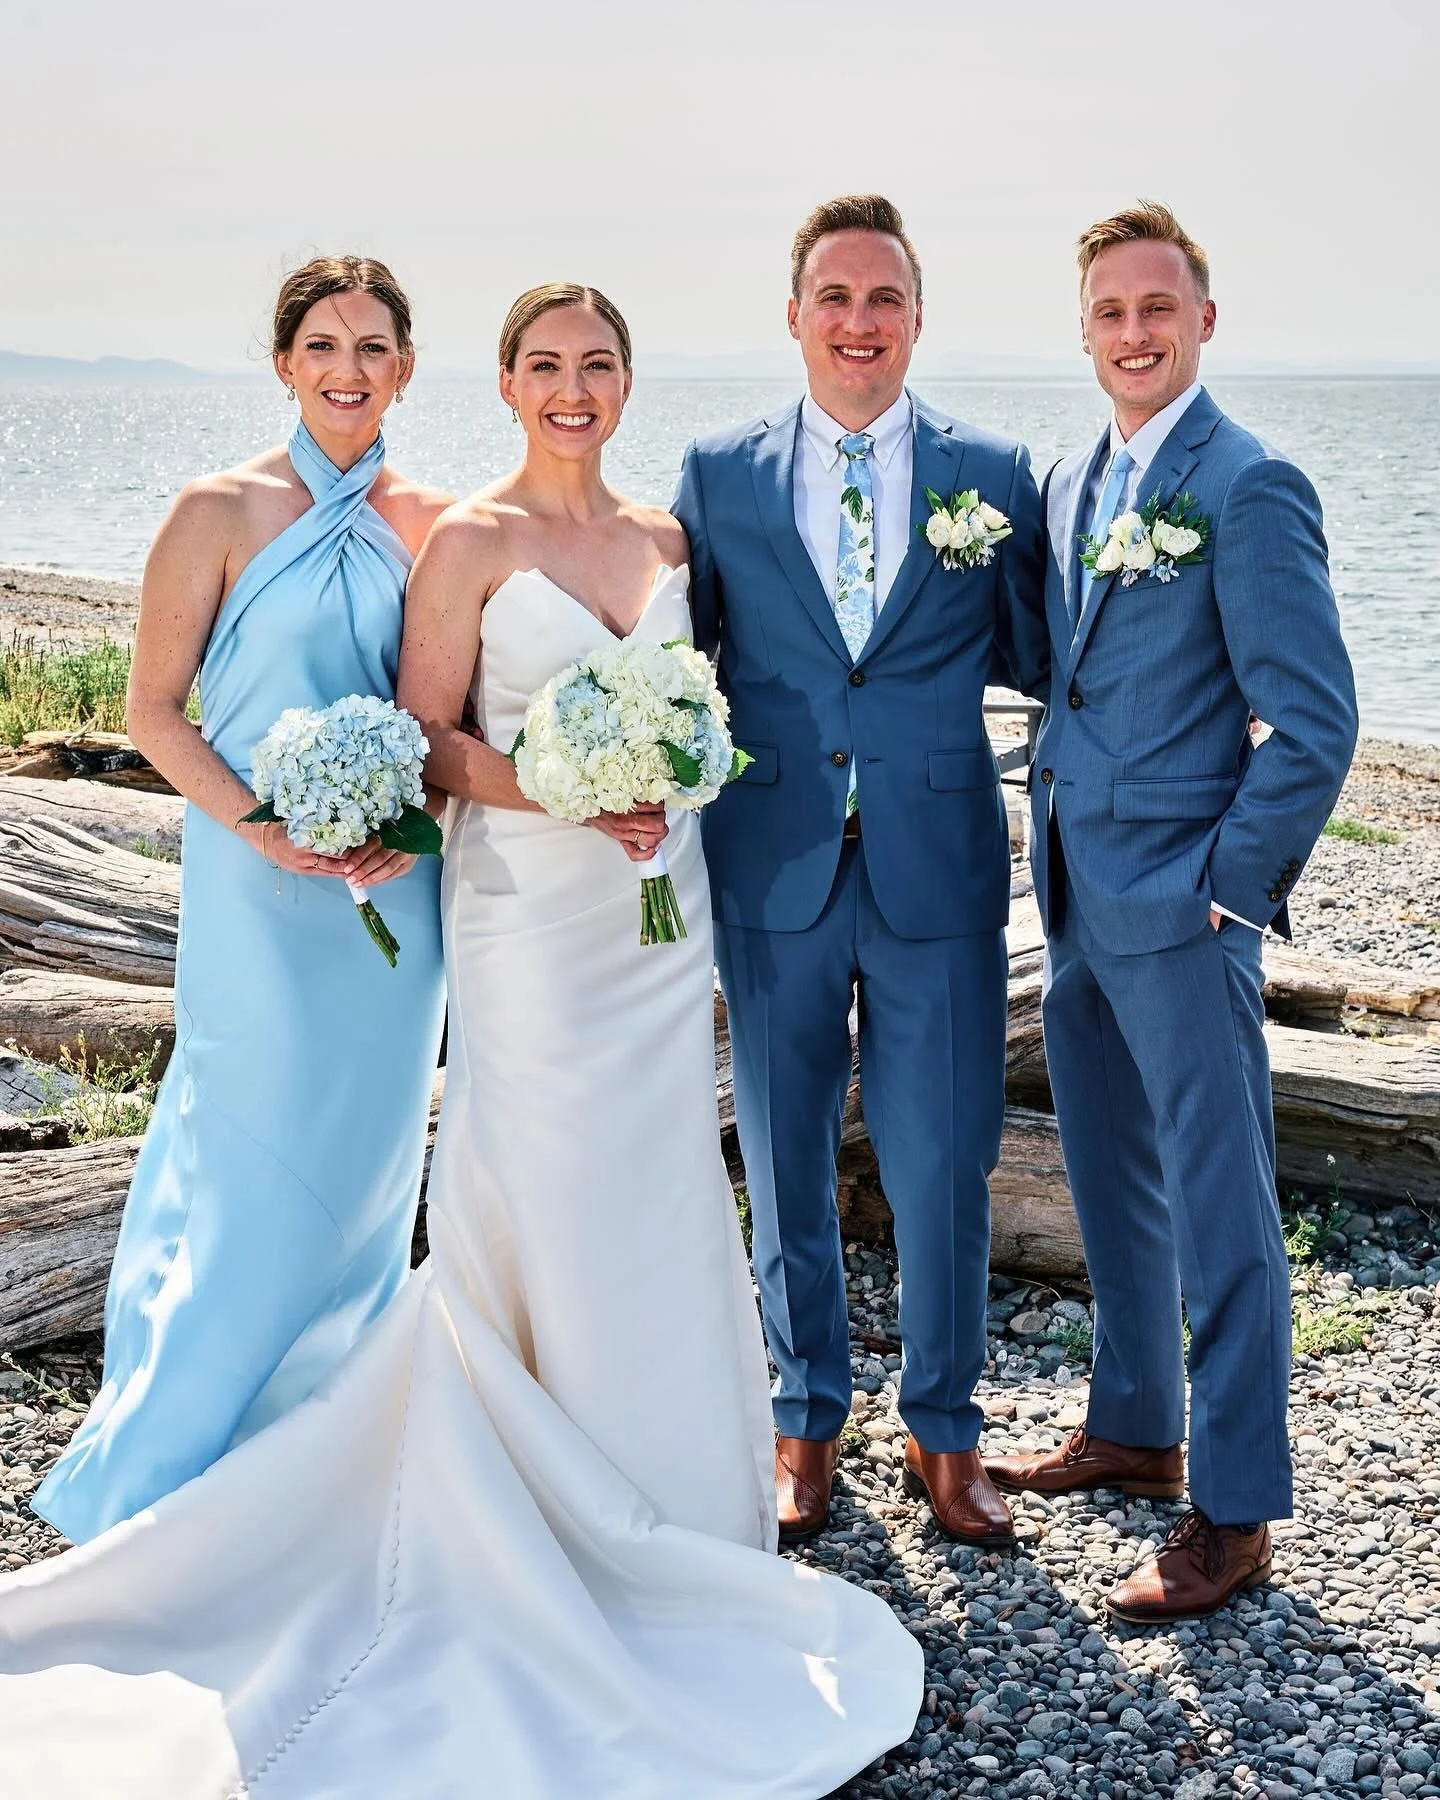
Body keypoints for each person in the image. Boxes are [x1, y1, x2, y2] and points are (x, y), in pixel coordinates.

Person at [0, 282, 921, 1799]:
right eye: (547, 365)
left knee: (661, 1181)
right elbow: (427, 730)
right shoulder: (464, 542)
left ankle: (685, 1494)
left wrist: (681, 764)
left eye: (599, 364)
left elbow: (718, 707)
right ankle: (409, 1473)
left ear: (627, 382)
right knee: (506, 1173)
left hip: (651, 910)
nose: (573, 387)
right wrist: (561, 783)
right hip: (512, 913)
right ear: (500, 383)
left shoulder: (665, 541)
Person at [31, 256, 449, 1546]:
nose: (348, 368)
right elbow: (155, 713)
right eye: (324, 344)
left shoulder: (434, 523)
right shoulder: (213, 512)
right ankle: (180, 1446)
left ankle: (329, 1447)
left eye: (374, 347)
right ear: (282, 362)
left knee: (370, 1166)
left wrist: (411, 822)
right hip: (253, 888)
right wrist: (262, 827)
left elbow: (445, 717)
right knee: (242, 1150)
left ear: (407, 368)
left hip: (390, 900)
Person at [984, 202, 1358, 1622]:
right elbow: (1059, 660)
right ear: (1083, 332)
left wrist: (1227, 888)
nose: (1133, 333)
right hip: (1073, 887)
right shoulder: (1076, 477)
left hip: (1185, 909)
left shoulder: (1248, 484)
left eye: (1158, 308)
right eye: (1108, 312)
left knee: (1224, 1207)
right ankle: (1135, 1428)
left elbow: (1316, 722)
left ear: (1205, 321)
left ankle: (1237, 1510)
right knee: (1111, 1183)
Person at [673, 195, 1049, 1545]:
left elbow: (1047, 652)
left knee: (945, 1163)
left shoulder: (995, 474)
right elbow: (677, 662)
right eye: (834, 296)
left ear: (918, 317)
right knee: (780, 1159)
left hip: (938, 868)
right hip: (772, 865)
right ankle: (802, 1420)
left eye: (884, 297)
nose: (858, 321)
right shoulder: (717, 473)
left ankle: (946, 1435)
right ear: (793, 316)